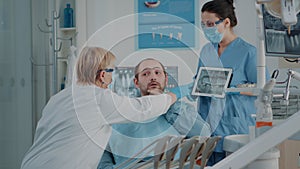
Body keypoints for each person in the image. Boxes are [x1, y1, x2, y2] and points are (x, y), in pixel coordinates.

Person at [20, 47, 177, 169]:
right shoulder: (100, 98)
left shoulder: (58, 98)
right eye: (112, 71)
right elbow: (142, 109)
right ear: (103, 75)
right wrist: (172, 96)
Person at [171, 0, 270, 166]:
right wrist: (183, 90)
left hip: (236, 127)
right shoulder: (207, 50)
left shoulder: (249, 52)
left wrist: (232, 89)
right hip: (208, 127)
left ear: (226, 22)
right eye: (203, 24)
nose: (205, 29)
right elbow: (199, 81)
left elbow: (264, 89)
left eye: (210, 24)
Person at [98, 58, 211, 169]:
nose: (153, 77)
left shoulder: (181, 109)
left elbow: (203, 133)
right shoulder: (123, 109)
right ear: (136, 82)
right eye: (146, 74)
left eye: (157, 73)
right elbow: (103, 150)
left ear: (166, 79)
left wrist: (169, 104)